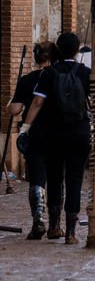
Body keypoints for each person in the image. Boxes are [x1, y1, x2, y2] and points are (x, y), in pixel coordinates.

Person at [12, 40, 85, 243]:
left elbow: (17, 108)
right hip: (61, 132)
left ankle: (39, 219)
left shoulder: (29, 80)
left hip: (37, 135)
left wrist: (23, 124)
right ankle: (58, 226)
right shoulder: (62, 75)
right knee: (57, 178)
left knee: (37, 177)